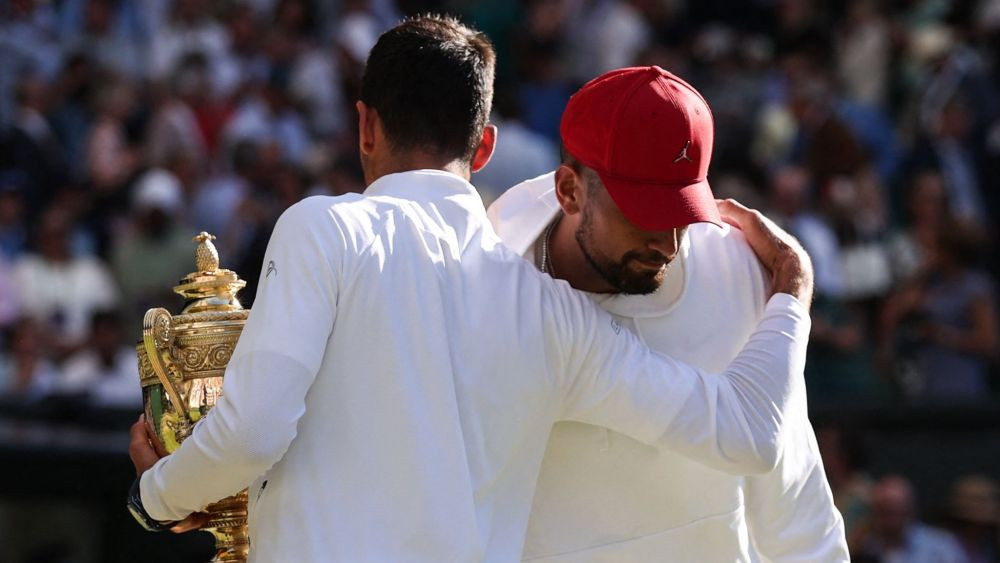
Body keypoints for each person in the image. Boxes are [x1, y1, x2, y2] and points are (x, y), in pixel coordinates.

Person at [128, 15, 814, 561]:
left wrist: (158, 495)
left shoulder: (322, 229)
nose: (668, 242)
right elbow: (753, 432)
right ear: (484, 147)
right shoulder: (554, 314)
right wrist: (790, 289)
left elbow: (252, 434)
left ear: (365, 126)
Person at [488, 66, 847, 561]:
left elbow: (793, 488)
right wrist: (794, 282)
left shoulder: (735, 264)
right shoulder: (493, 276)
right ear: (569, 190)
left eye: (683, 211)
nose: (669, 244)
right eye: (644, 214)